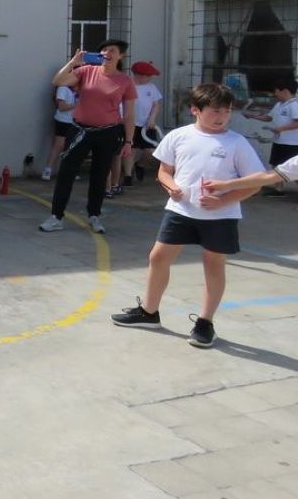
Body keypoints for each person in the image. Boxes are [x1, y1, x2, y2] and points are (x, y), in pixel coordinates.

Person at [110, 83, 265, 348]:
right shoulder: (178, 136)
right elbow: (164, 171)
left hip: (220, 217)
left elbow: (255, 183)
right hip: (180, 211)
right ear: (195, 109)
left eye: (226, 111)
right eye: (215, 111)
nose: (222, 116)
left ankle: (205, 323)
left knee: (213, 265)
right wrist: (171, 187)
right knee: (158, 258)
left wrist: (222, 202)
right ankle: (149, 312)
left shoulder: (236, 143)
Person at [39, 41, 136, 235]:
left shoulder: (125, 81)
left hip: (108, 132)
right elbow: (58, 81)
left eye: (112, 50)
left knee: (100, 176)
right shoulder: (86, 71)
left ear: (120, 56)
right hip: (80, 130)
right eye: (104, 49)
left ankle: (94, 215)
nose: (107, 53)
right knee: (66, 172)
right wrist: (73, 62)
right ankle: (56, 216)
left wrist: (128, 141)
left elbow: (129, 115)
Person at [245, 78, 298, 196]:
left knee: (293, 169)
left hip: (292, 144)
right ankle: (277, 189)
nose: (275, 94)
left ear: (284, 91)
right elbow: (269, 118)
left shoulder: (294, 105)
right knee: (277, 165)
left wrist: (281, 129)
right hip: (280, 141)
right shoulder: (279, 105)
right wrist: (253, 116)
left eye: (276, 91)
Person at [125, 61, 164, 186]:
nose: (150, 78)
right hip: (131, 123)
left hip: (147, 125)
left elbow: (156, 105)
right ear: (138, 75)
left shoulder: (151, 87)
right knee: (131, 149)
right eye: (148, 75)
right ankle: (128, 176)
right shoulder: (128, 85)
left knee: (151, 151)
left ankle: (140, 165)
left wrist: (152, 118)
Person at [42, 84, 77, 181]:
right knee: (59, 145)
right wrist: (77, 105)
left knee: (71, 147)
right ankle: (48, 170)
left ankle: (68, 172)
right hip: (63, 120)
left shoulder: (76, 89)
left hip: (74, 121)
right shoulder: (63, 88)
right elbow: (61, 106)